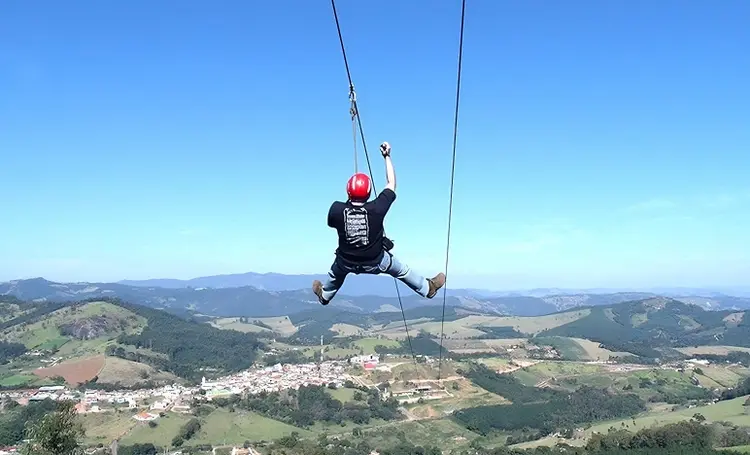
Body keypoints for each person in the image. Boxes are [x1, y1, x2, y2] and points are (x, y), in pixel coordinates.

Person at [312, 141, 446, 305]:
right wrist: (387, 156)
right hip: (375, 261)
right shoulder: (377, 208)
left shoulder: (336, 209)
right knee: (402, 270)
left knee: (336, 274)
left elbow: (331, 224)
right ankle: (428, 288)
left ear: (348, 190)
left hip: (346, 261)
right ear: (368, 192)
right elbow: (391, 184)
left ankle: (325, 296)